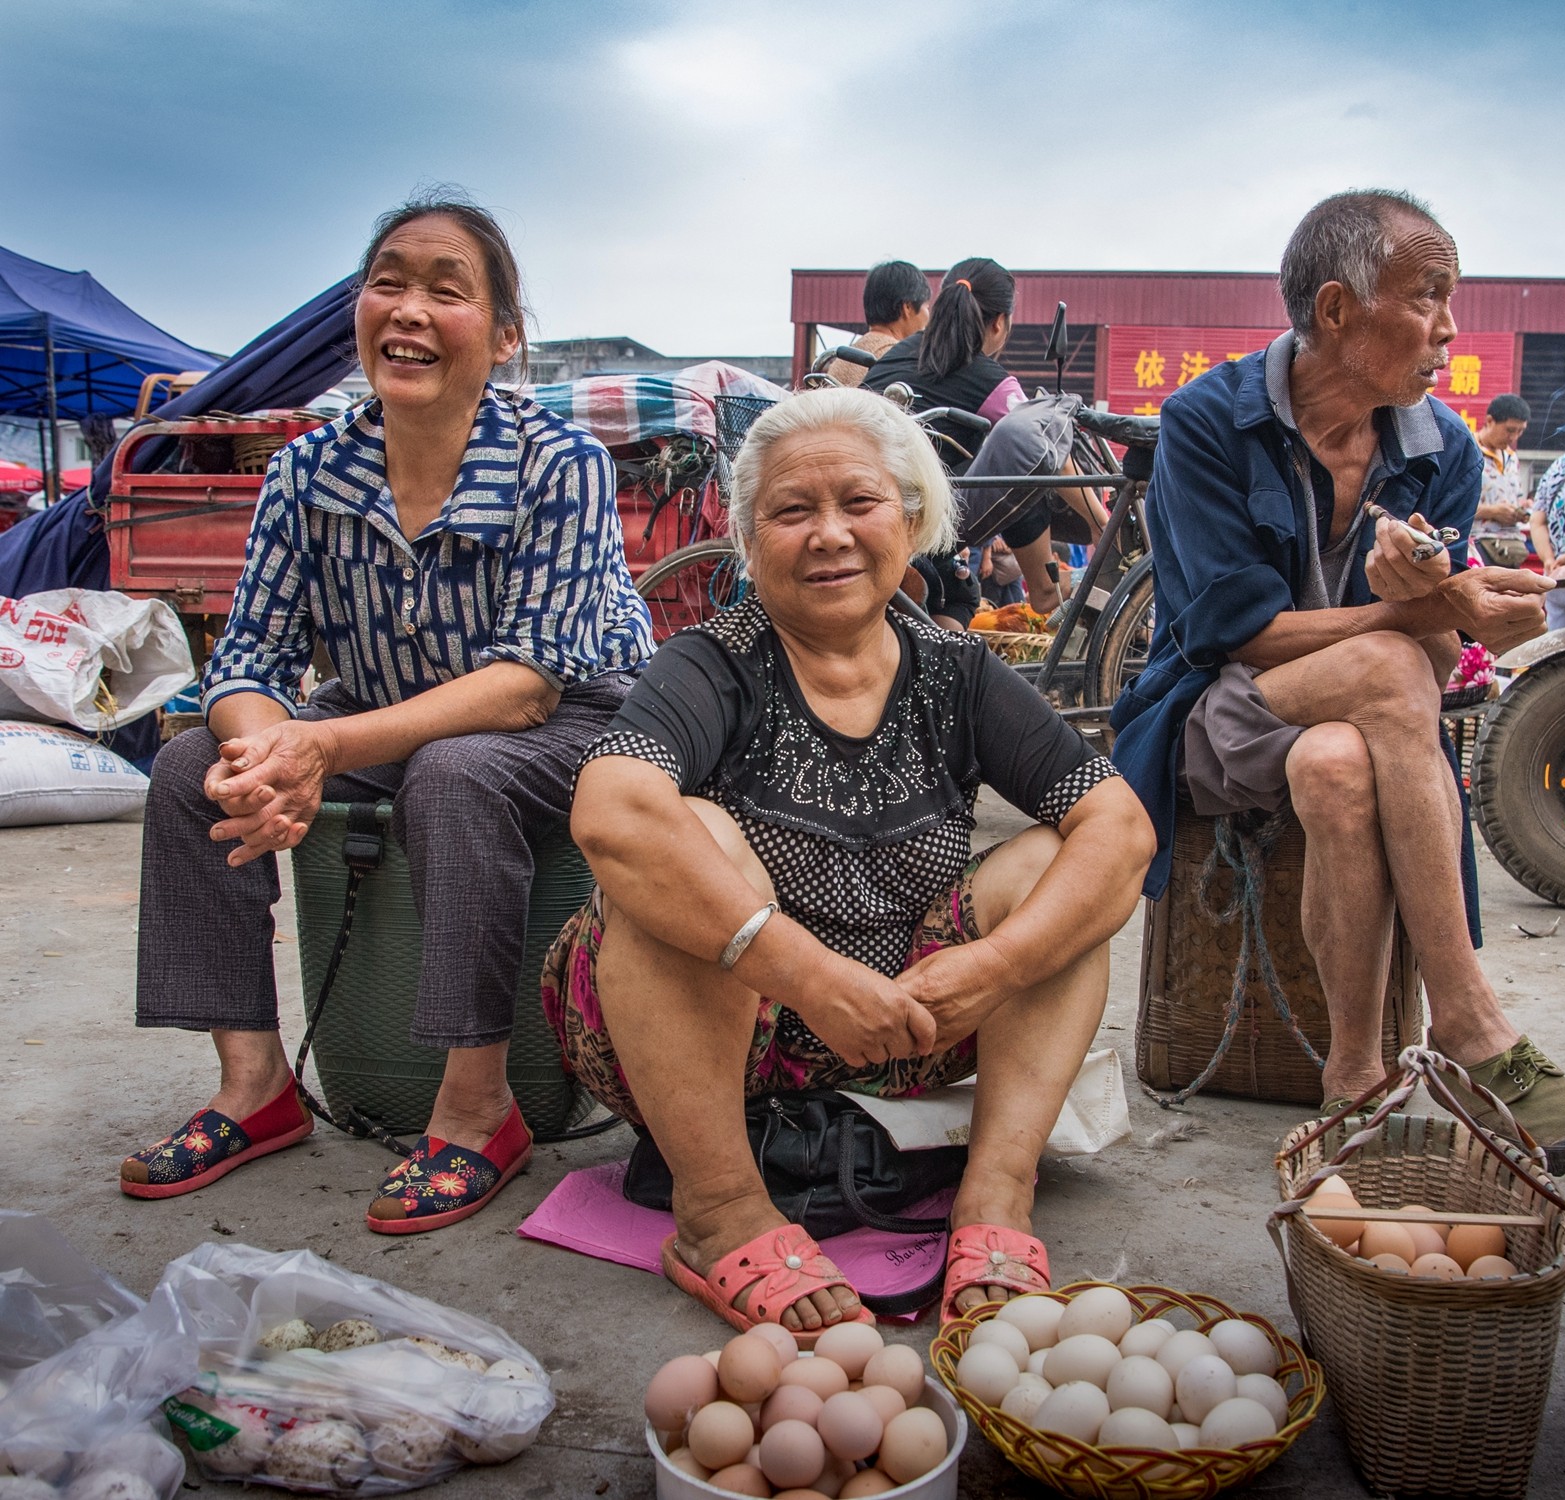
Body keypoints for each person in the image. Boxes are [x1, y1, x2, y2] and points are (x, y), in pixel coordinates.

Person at [551, 386, 1154, 1337]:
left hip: (903, 1027)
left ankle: (995, 1196)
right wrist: (807, 975)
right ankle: (720, 1214)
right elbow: (613, 814)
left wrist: (992, 967)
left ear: (910, 521)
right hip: (724, 1031)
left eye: (859, 503)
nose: (829, 534)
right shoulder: (714, 663)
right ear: (750, 543)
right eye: (793, 511)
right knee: (685, 837)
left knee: (1066, 872)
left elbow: (1121, 830)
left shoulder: (954, 669)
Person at [120, 192, 654, 1230]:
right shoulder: (308, 470)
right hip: (373, 715)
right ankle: (255, 1087)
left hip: (566, 720)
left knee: (457, 770)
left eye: (444, 291)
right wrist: (262, 753)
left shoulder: (560, 465)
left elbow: (525, 684)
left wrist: (316, 743)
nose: (407, 309)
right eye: (387, 282)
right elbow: (248, 655)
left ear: (501, 340)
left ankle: (475, 1108)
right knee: (190, 773)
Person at [1109, 190, 1565, 1178]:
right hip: (1213, 711)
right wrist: (1429, 614)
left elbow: (1431, 677)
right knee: (1390, 661)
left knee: (1343, 764)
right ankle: (1471, 1020)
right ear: (1338, 311)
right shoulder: (1205, 423)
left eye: (1452, 297)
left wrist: (1453, 610)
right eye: (1426, 295)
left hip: (1358, 727)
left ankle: (1353, 1082)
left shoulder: (1440, 451)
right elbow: (1239, 634)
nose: (1447, 329)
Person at [861, 258, 1028, 622]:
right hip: (893, 507)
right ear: (1000, 322)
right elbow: (1032, 435)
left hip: (866, 491)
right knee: (958, 590)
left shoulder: (887, 357)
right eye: (920, 308)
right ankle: (938, 672)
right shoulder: (973, 371)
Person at [824, 260, 930, 388]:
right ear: (907, 307)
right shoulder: (902, 360)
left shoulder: (841, 361)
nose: (929, 317)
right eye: (927, 307)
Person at [1530, 429, 1565, 629]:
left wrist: (1548, 559)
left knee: (1558, 649)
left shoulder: (1556, 469)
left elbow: (1537, 521)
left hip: (1556, 575)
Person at [1471, 393, 1532, 566]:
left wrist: (1521, 510)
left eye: (1520, 432)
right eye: (1510, 430)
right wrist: (1492, 512)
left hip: (1511, 548)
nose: (1513, 437)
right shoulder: (1467, 451)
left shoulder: (1512, 459)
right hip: (1477, 545)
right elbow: (1449, 503)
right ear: (1490, 421)